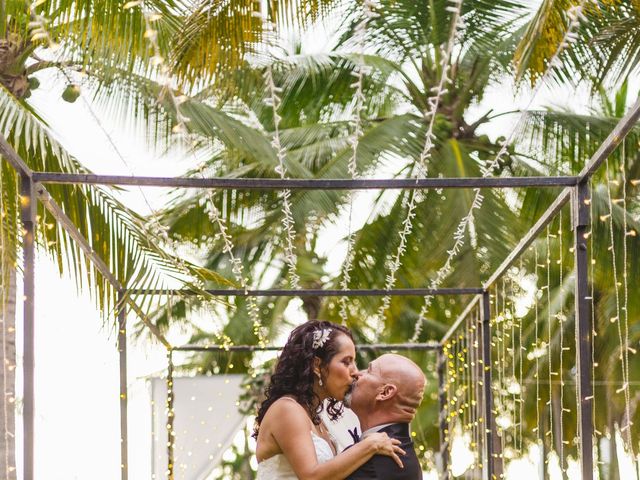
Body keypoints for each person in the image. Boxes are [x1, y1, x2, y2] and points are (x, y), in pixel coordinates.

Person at [254, 321, 406, 480]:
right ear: (317, 366)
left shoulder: (317, 419)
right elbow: (311, 476)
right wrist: (369, 445)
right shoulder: (287, 409)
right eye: (346, 362)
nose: (355, 372)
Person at [343, 353, 426, 479]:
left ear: (385, 392)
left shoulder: (378, 461)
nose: (357, 374)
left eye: (369, 371)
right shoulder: (399, 451)